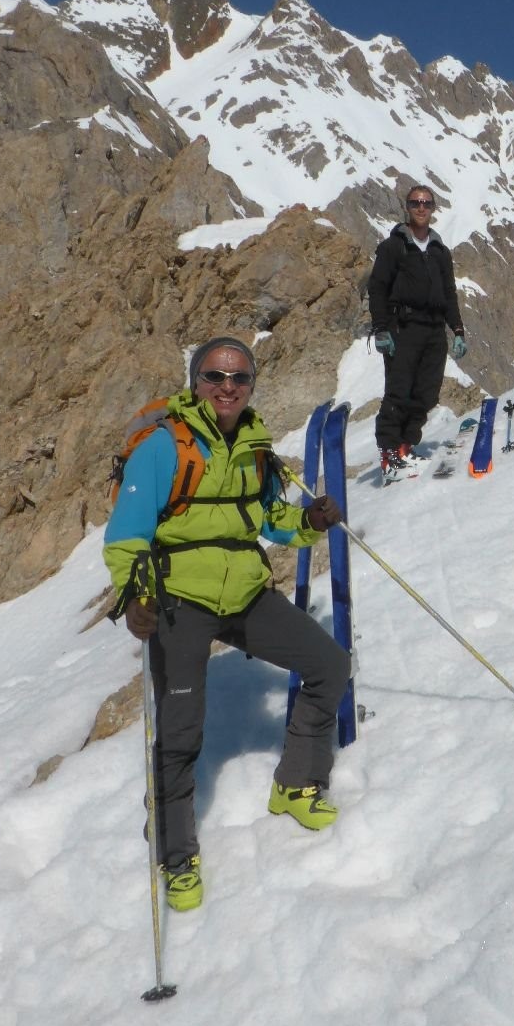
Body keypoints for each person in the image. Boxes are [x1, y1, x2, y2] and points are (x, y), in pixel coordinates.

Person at [104, 336, 350, 913]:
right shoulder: (164, 447)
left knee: (329, 664)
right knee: (181, 729)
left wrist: (310, 522)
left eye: (239, 377)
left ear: (252, 386)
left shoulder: (256, 447)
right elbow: (127, 535)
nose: (227, 386)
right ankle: (175, 851)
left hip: (244, 592)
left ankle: (296, 783)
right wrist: (134, 596)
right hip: (179, 599)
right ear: (196, 381)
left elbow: (270, 519)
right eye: (215, 375)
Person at [366, 184, 468, 479]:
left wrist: (457, 330)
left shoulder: (439, 251)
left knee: (427, 393)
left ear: (433, 208)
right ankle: (389, 456)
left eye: (426, 203)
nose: (421, 208)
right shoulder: (393, 247)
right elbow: (378, 288)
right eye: (415, 203)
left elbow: (449, 293)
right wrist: (381, 328)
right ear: (407, 207)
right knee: (399, 391)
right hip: (404, 327)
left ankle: (405, 448)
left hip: (434, 330)